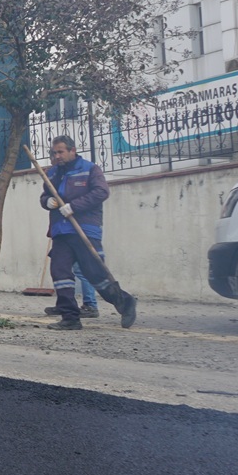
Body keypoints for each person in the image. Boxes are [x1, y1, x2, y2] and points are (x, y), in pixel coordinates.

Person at [38, 135, 138, 330]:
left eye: (61, 152)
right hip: (61, 231)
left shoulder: (90, 169)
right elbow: (45, 195)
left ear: (72, 150)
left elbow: (101, 192)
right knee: (60, 272)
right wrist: (47, 202)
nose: (57, 156)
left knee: (95, 274)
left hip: (84, 228)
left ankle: (125, 302)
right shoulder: (52, 174)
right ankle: (70, 317)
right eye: (54, 152)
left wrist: (74, 206)